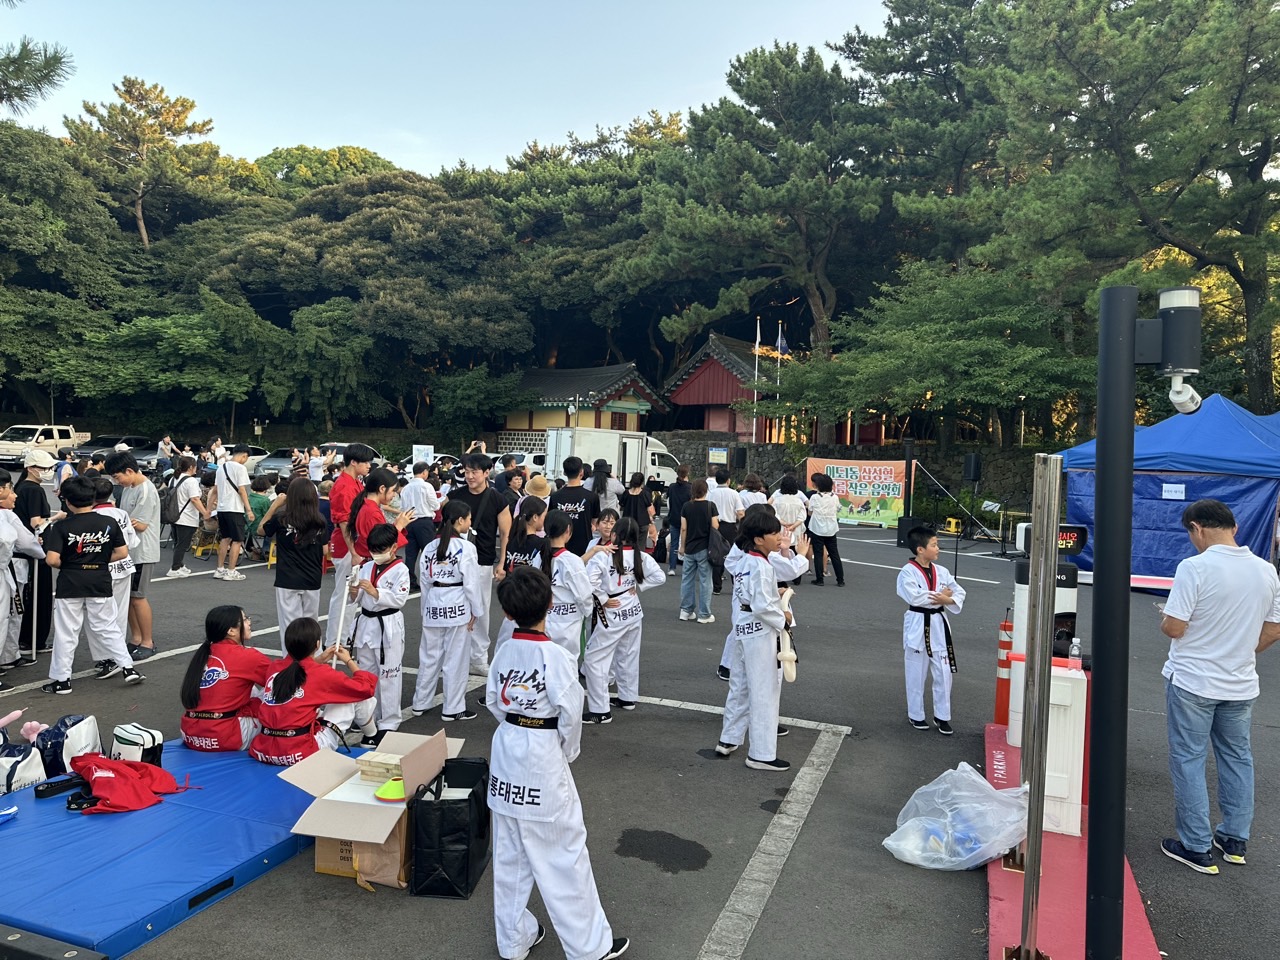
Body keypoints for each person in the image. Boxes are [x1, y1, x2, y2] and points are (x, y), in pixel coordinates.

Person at [485, 565, 630, 960]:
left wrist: (519, 728)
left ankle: (513, 940)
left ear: (508, 613)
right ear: (551, 603)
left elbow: (495, 703)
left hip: (507, 752)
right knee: (564, 855)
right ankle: (589, 947)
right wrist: (561, 752)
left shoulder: (503, 652)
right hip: (541, 754)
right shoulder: (557, 657)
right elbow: (571, 714)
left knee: (510, 856)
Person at [1158, 499, 1280, 874]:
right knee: (1237, 758)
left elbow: (1175, 627)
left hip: (1194, 679)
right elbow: (1274, 627)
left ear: (1196, 528)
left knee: (1190, 759)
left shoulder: (1195, 567)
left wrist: (1166, 617)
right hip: (1240, 682)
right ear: (1235, 528)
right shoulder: (1266, 571)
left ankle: (1195, 845)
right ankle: (1234, 838)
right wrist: (1241, 647)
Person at [715, 510, 807, 770]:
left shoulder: (745, 560)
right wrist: (784, 616)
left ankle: (729, 737)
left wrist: (772, 592)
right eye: (773, 533)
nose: (779, 537)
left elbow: (751, 594)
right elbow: (763, 606)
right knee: (765, 690)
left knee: (741, 685)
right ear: (758, 539)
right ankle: (761, 754)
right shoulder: (760, 564)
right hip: (760, 630)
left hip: (745, 628)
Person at [40, 476, 143, 695]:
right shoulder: (109, 522)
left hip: (70, 582)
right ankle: (127, 667)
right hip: (100, 579)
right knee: (107, 626)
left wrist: (71, 563)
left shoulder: (62, 526)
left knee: (67, 631)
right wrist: (99, 561)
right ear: (92, 498)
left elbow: (51, 559)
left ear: (67, 501)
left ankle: (62, 681)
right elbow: (122, 552)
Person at [250, 617, 378, 766]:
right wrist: (349, 661)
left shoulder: (275, 667)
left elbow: (300, 671)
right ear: (317, 644)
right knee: (351, 695)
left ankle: (371, 736)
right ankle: (372, 737)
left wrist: (319, 660)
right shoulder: (320, 673)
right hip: (301, 752)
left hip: (264, 749)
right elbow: (365, 688)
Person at [583, 517, 665, 723]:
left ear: (614, 535)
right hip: (632, 609)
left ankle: (600, 710)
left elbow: (587, 581)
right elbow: (659, 577)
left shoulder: (603, 556)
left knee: (594, 660)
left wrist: (602, 598)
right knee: (628, 655)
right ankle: (627, 698)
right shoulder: (641, 557)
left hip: (612, 611)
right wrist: (638, 585)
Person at [716, 503, 810, 682]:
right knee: (762, 685)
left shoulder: (745, 549)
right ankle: (731, 667)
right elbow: (789, 571)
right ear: (759, 535)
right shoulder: (761, 560)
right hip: (757, 614)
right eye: (774, 533)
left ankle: (727, 666)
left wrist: (784, 550)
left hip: (744, 598)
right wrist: (801, 554)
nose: (778, 536)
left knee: (738, 634)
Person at [411, 501, 485, 722]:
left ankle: (420, 702)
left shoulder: (430, 547)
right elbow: (471, 584)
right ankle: (452, 707)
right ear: (460, 520)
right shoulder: (466, 548)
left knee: (429, 657)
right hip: (457, 604)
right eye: (468, 518)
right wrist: (476, 611)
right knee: (456, 658)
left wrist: (426, 607)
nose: (470, 522)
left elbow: (424, 580)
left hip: (434, 602)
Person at [444, 452, 511, 677]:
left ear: (486, 472)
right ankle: (455, 656)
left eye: (475, 471)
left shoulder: (497, 498)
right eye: (467, 471)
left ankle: (479, 658)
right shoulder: (454, 495)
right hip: (454, 563)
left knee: (480, 611)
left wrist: (501, 563)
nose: (470, 476)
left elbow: (505, 533)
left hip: (482, 561)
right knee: (454, 609)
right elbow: (443, 527)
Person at [897, 526, 966, 736]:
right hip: (918, 623)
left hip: (938, 624)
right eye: (934, 544)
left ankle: (942, 716)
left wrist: (948, 599)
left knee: (944, 674)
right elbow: (914, 597)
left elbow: (959, 591)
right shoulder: (906, 572)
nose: (938, 549)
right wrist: (939, 594)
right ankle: (916, 714)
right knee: (915, 673)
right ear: (920, 549)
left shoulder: (942, 571)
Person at [180, 605, 272, 751]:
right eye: (245, 619)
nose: (249, 622)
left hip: (191, 735)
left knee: (247, 686)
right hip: (225, 737)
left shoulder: (202, 654)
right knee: (275, 690)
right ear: (231, 631)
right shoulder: (248, 656)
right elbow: (284, 682)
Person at [351, 523, 412, 742]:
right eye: (373, 551)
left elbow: (399, 599)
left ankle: (389, 721)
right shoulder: (366, 567)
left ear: (394, 547)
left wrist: (376, 592)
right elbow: (355, 599)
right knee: (367, 672)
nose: (375, 555)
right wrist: (354, 590)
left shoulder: (401, 570)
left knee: (389, 674)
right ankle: (368, 717)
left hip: (388, 623)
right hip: (367, 622)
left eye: (380, 551)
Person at [106, 450, 162, 660]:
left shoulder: (146, 490)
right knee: (128, 598)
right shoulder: (129, 487)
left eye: (117, 477)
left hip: (143, 552)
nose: (116, 481)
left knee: (138, 598)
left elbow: (140, 524)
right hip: (129, 551)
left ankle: (148, 641)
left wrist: (116, 521)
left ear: (129, 470)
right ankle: (135, 638)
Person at [261, 476, 328, 648]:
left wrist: (275, 505)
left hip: (288, 578)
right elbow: (326, 550)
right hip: (312, 578)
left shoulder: (281, 518)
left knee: (289, 625)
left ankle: (290, 662)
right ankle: (313, 658)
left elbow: (261, 530)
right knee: (311, 622)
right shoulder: (319, 520)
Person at [324, 442, 376, 644]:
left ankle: (342, 637)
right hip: (348, 545)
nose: (369, 466)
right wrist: (354, 551)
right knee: (344, 594)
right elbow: (344, 522)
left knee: (352, 594)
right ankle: (334, 640)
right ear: (354, 462)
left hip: (353, 543)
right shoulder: (344, 486)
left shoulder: (355, 482)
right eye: (366, 462)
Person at [88, 475, 140, 675]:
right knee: (118, 612)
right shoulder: (121, 513)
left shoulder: (90, 515)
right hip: (123, 566)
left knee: (97, 615)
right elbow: (132, 542)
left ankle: (107, 658)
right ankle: (117, 656)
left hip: (98, 568)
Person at [545, 509, 611, 659]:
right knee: (567, 663)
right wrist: (587, 612)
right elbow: (584, 595)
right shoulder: (570, 560)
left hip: (545, 618)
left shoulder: (540, 556)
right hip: (568, 621)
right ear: (568, 530)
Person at [493, 497, 552, 657]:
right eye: (543, 516)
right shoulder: (542, 544)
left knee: (506, 644)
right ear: (535, 517)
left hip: (513, 601)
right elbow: (545, 575)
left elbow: (507, 568)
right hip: (533, 601)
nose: (543, 520)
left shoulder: (512, 540)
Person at [0, 468, 44, 678]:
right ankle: (7, 656)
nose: (14, 494)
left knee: (11, 614)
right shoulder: (7, 516)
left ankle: (9, 655)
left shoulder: (8, 515)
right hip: (7, 570)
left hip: (8, 570)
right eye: (10, 489)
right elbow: (27, 543)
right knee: (6, 616)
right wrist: (42, 552)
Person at [14, 449, 58, 655]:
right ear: (31, 468)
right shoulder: (33, 490)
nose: (48, 471)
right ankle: (33, 640)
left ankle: (28, 639)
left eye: (50, 468)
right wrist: (58, 518)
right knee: (38, 596)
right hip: (36, 550)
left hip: (24, 550)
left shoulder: (22, 487)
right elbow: (36, 522)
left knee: (26, 596)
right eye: (44, 468)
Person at [346, 467, 412, 564]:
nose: (394, 495)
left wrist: (395, 526)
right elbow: (382, 545)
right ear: (382, 489)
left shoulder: (367, 506)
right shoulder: (371, 512)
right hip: (373, 561)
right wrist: (399, 526)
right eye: (393, 490)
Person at [212, 443, 255, 582]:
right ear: (244, 455)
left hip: (222, 508)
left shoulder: (221, 468)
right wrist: (248, 510)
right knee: (237, 540)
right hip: (235, 508)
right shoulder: (240, 468)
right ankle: (231, 570)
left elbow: (216, 489)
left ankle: (220, 569)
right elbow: (242, 490)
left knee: (225, 539)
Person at [679, 479, 719, 623]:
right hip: (705, 548)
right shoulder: (710, 506)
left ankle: (686, 610)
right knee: (705, 581)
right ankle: (704, 614)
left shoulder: (686, 506)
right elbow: (715, 526)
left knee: (687, 579)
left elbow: (683, 528)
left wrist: (682, 547)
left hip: (689, 547)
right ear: (706, 490)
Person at [398, 461, 440, 590]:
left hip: (409, 521)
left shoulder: (406, 488)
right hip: (424, 522)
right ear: (424, 472)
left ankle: (410, 581)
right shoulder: (427, 486)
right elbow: (435, 505)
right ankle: (431, 579)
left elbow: (402, 507)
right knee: (429, 552)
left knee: (410, 554)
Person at [166, 456, 209, 577]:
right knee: (182, 544)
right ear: (191, 467)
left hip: (174, 515)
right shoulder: (191, 481)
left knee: (177, 542)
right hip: (186, 517)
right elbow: (195, 499)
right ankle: (174, 568)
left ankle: (180, 565)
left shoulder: (173, 479)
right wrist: (205, 513)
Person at [549, 456, 600, 557]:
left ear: (564, 473)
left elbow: (551, 521)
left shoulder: (555, 496)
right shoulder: (591, 497)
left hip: (559, 550)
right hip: (584, 549)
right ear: (581, 472)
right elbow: (594, 524)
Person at [706, 470, 744, 595]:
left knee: (717, 555)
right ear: (729, 480)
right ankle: (735, 585)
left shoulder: (711, 494)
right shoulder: (734, 493)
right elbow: (740, 512)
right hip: (730, 526)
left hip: (715, 526)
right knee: (733, 555)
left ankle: (717, 586)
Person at [806, 474, 845, 587]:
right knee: (834, 554)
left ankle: (820, 579)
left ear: (818, 485)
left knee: (818, 554)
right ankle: (840, 580)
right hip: (831, 529)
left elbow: (810, 511)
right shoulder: (835, 497)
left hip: (817, 528)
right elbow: (838, 508)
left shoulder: (815, 497)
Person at [770, 476, 810, 587]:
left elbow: (774, 514)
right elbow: (803, 516)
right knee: (797, 551)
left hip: (782, 530)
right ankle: (797, 577)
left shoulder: (777, 500)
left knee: (780, 552)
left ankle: (781, 574)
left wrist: (783, 523)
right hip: (795, 530)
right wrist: (793, 525)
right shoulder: (798, 501)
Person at [663, 465, 692, 577]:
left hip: (674, 517)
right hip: (687, 518)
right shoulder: (690, 487)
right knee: (687, 542)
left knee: (674, 542)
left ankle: (671, 567)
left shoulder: (672, 487)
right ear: (687, 474)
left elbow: (668, 500)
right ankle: (687, 567)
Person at [619, 472, 656, 550]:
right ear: (642, 482)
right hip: (642, 523)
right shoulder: (645, 493)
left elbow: (620, 505)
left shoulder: (626, 493)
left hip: (628, 523)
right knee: (640, 547)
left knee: (627, 546)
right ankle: (639, 561)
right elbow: (650, 510)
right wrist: (651, 519)